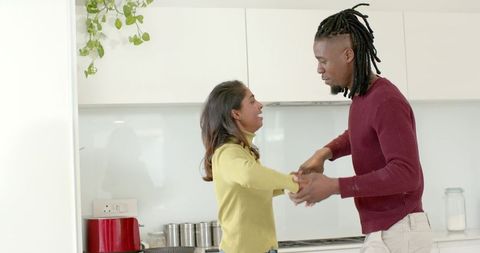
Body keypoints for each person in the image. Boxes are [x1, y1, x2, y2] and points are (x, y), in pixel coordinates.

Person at [289, 3, 433, 253]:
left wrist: (334, 186)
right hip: (388, 231)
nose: (319, 69)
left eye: (323, 60)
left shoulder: (386, 100)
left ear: (347, 55)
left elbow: (406, 174)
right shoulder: (363, 97)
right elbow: (358, 134)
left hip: (400, 232)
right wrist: (325, 153)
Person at [200, 80, 299, 253]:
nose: (260, 105)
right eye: (252, 101)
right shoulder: (227, 153)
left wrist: (286, 186)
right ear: (236, 114)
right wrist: (292, 182)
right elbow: (250, 176)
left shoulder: (241, 151)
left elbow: (254, 187)